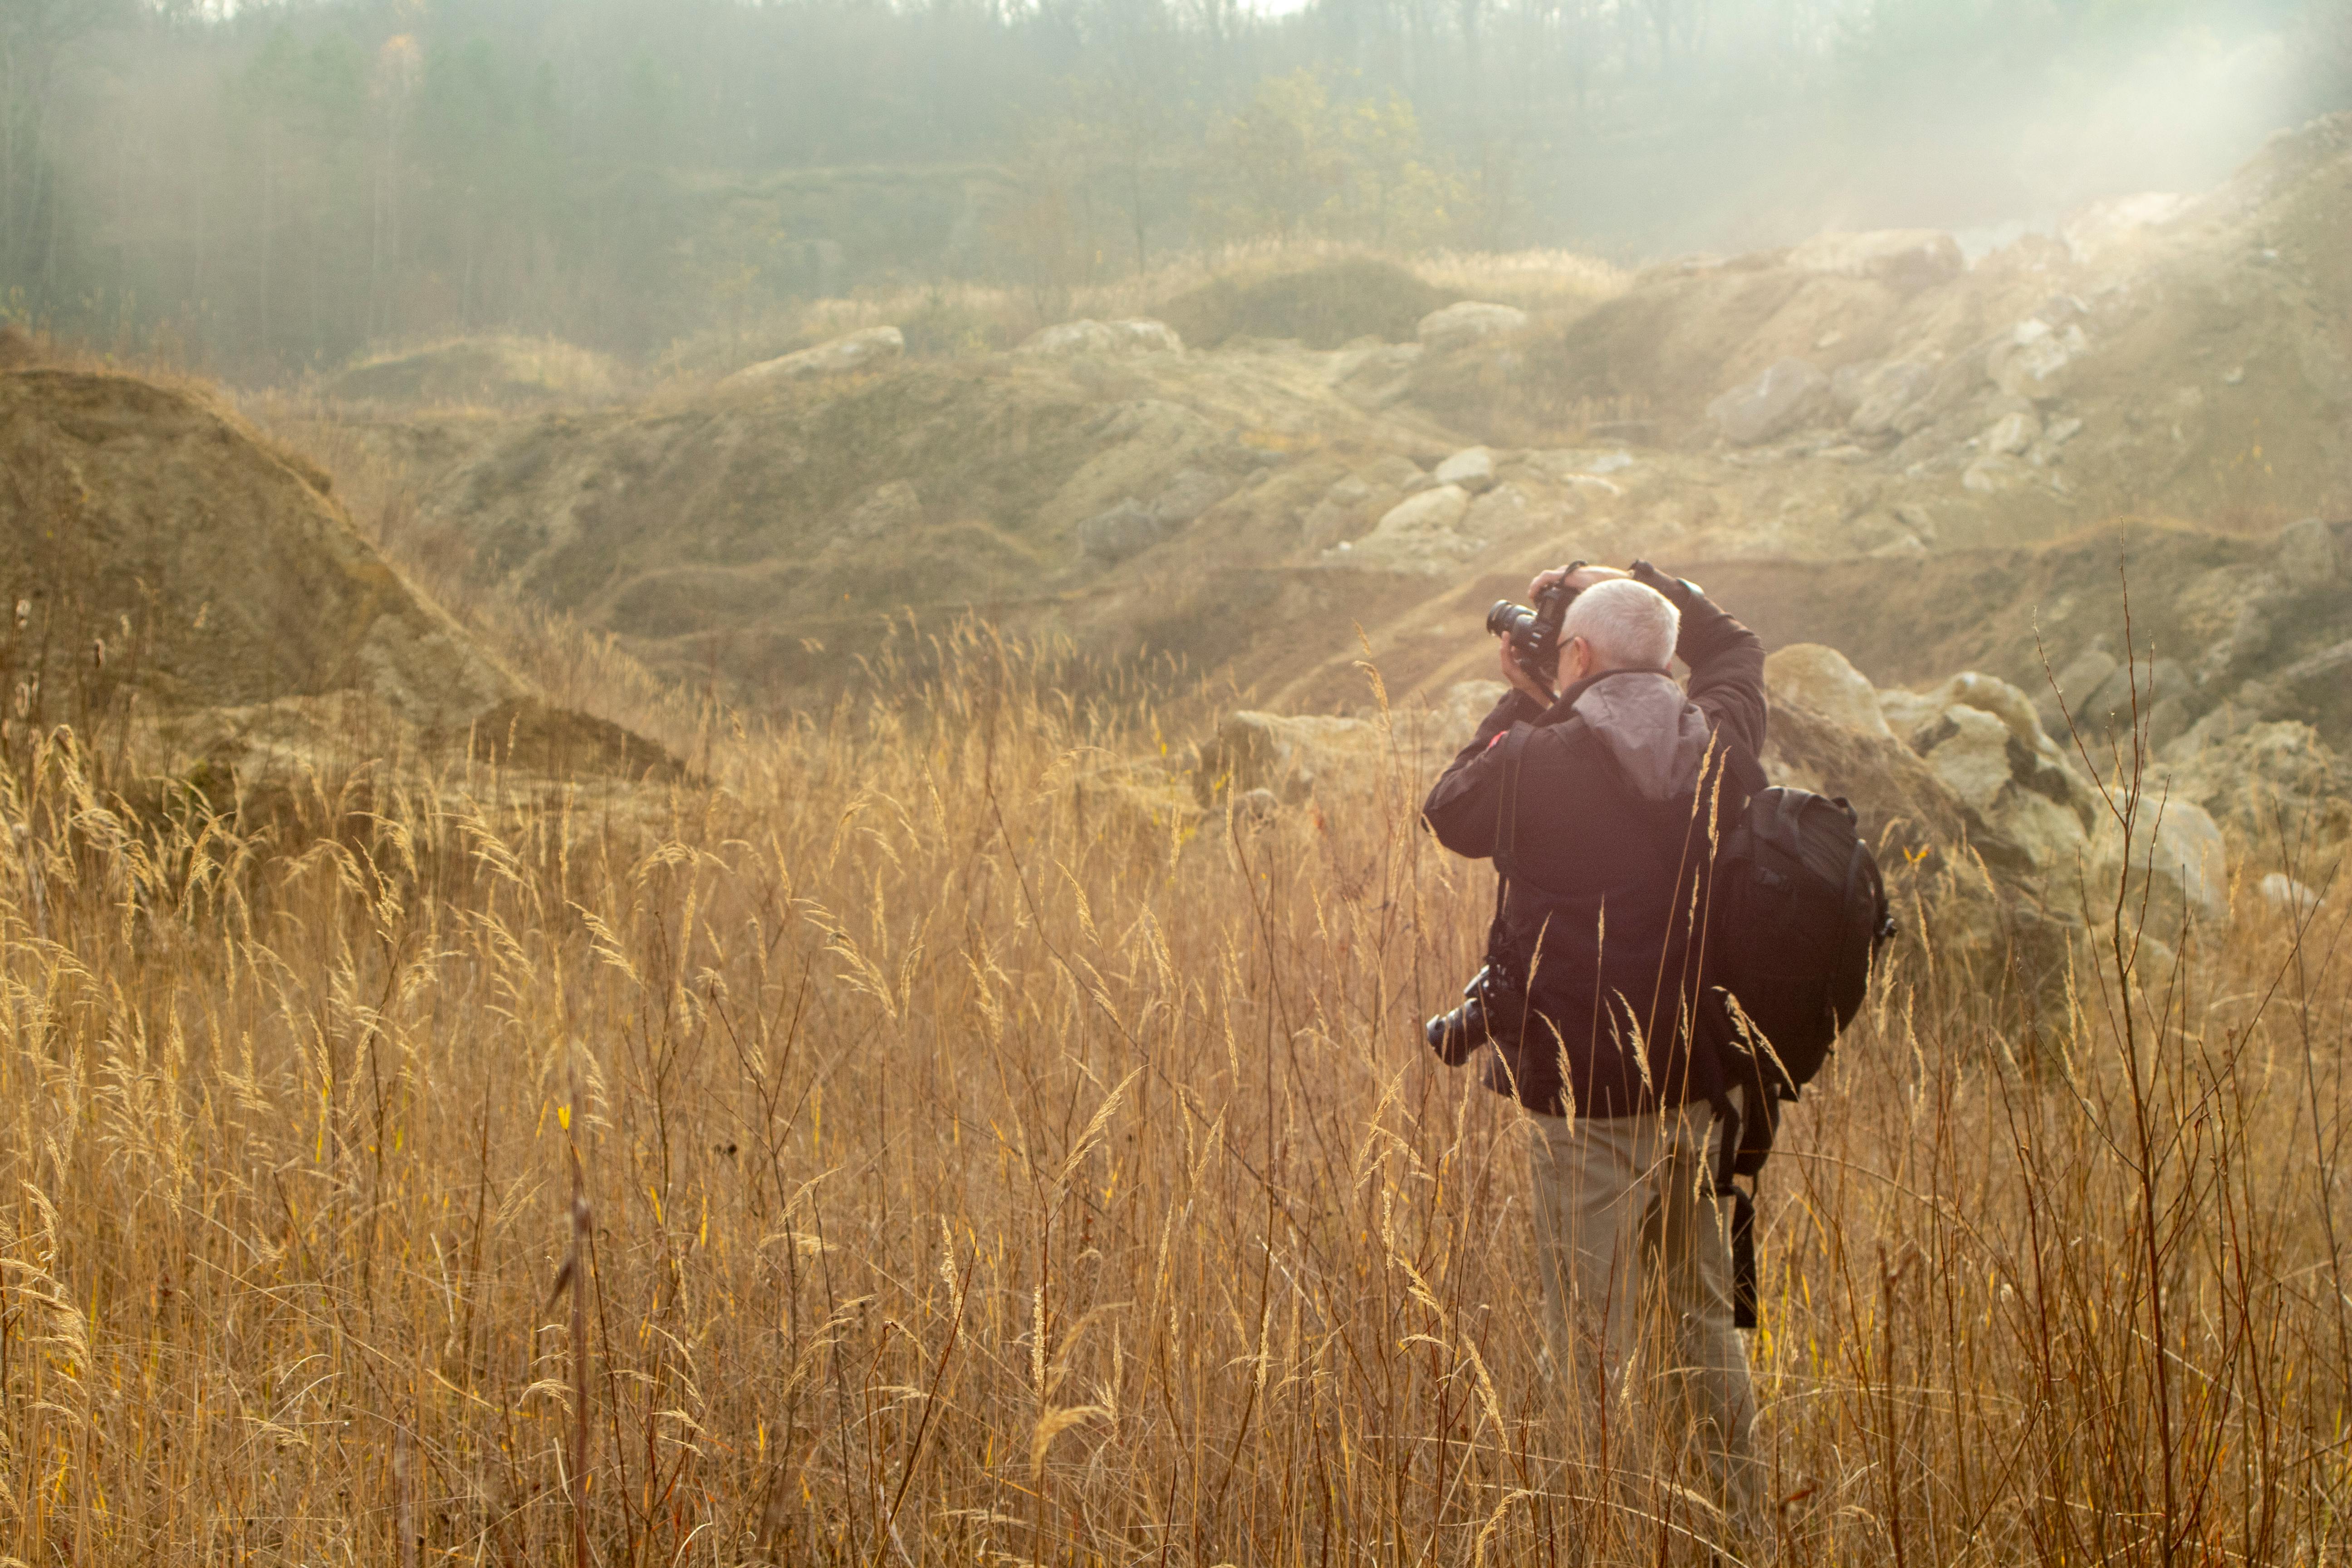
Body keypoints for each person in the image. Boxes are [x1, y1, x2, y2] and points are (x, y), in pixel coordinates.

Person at [1421, 559, 1768, 1530]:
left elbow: (1450, 808)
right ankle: (1735, 1529)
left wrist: (1524, 702)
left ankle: (1594, 1531)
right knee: (1701, 1322)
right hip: (1701, 1089)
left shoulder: (1538, 755)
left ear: (1573, 653)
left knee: (1585, 1338)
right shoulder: (1724, 744)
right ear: (1663, 659)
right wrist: (1636, 583)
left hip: (1582, 1106)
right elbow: (1733, 649)